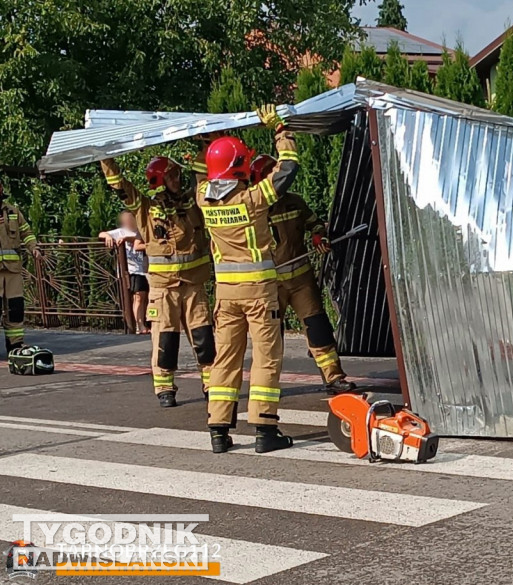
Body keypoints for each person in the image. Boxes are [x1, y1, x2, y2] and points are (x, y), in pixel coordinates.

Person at [197, 105, 297, 454]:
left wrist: (207, 141)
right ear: (240, 167)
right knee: (266, 358)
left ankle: (218, 430)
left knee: (226, 359)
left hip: (226, 296)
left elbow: (205, 174)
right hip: (259, 294)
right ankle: (264, 430)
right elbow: (288, 169)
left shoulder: (203, 200)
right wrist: (280, 128)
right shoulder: (254, 199)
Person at [99, 148, 215, 408]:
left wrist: (204, 147)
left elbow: (204, 181)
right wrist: (105, 155)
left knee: (204, 338)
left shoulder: (191, 202)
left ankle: (211, 384)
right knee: (165, 340)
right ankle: (164, 387)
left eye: (177, 175)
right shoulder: (145, 208)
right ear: (159, 180)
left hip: (194, 285)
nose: (177, 180)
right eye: (172, 176)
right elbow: (119, 185)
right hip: (163, 290)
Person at [250, 155, 357, 394]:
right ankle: (266, 385)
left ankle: (333, 377)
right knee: (268, 337)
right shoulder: (252, 209)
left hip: (300, 280)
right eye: (271, 174)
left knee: (317, 326)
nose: (278, 179)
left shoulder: (294, 202)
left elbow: (314, 223)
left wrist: (319, 235)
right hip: (269, 284)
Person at [0, 182, 40, 355]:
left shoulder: (12, 212)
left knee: (15, 309)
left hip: (13, 271)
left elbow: (27, 233)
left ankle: (15, 344)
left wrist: (34, 248)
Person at [99, 211, 150, 334]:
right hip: (129, 270)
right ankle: (139, 325)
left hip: (143, 268)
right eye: (125, 219)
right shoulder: (120, 231)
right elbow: (101, 234)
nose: (128, 221)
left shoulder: (140, 231)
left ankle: (141, 323)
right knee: (138, 296)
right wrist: (108, 237)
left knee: (142, 297)